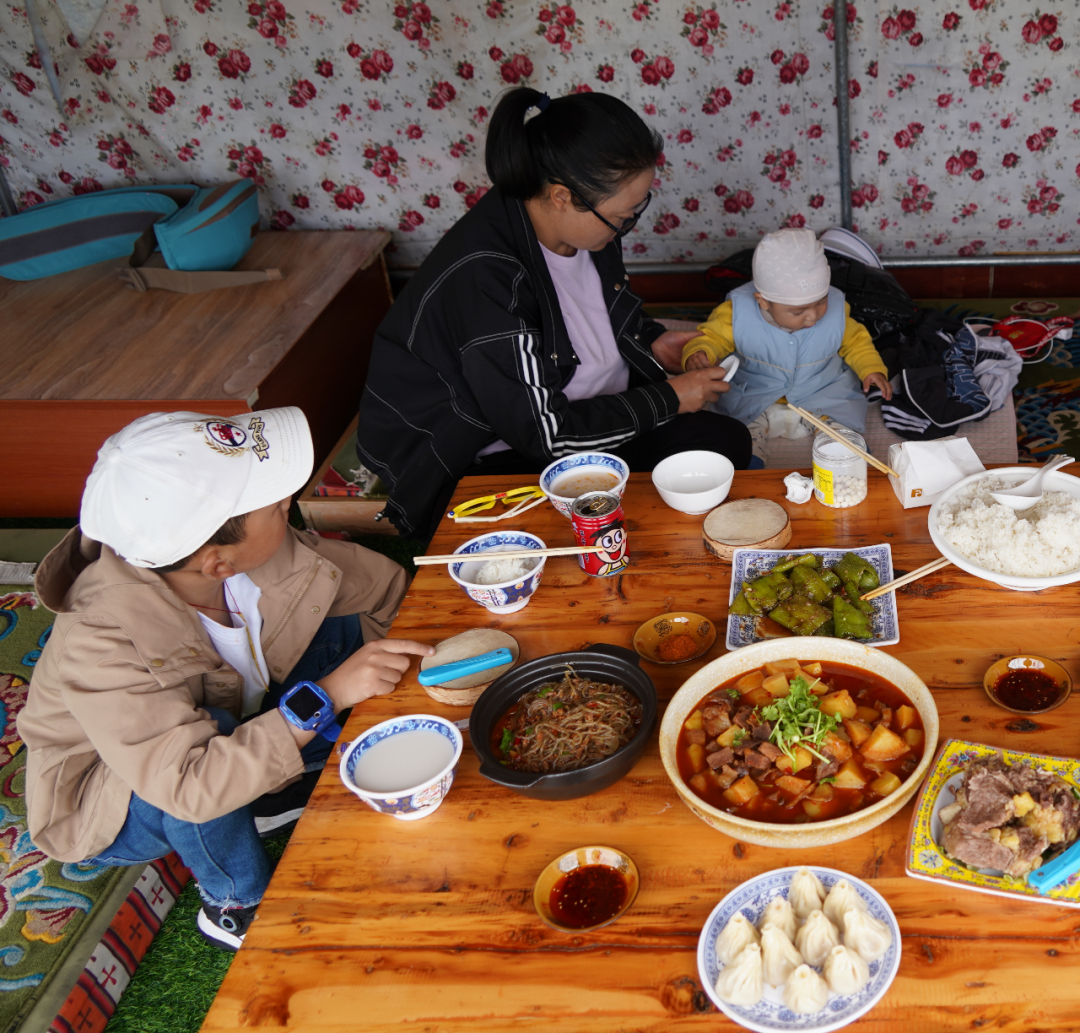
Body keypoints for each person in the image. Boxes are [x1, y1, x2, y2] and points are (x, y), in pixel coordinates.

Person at [16, 407, 432, 951]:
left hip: (235, 715)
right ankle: (234, 904)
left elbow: (380, 592)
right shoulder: (100, 644)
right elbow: (188, 784)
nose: (289, 501)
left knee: (338, 619)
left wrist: (422, 663)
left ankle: (269, 789)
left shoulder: (247, 552)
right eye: (274, 502)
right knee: (204, 758)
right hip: (121, 796)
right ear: (215, 562)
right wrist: (331, 695)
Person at [357, 87, 752, 539]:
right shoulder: (488, 279)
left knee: (721, 443)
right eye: (624, 215)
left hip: (584, 420)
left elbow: (592, 315)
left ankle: (624, 528)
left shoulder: (587, 230)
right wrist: (670, 398)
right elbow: (546, 434)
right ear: (563, 196)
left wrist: (651, 341)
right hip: (495, 450)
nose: (627, 224)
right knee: (544, 536)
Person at [681, 228, 893, 464]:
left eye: (821, 302)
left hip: (820, 394)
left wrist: (871, 368)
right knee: (738, 435)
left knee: (842, 430)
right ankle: (750, 468)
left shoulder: (837, 310)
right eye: (798, 311)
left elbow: (857, 342)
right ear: (763, 301)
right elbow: (712, 337)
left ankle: (851, 460)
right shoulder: (736, 313)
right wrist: (700, 353)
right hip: (756, 397)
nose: (812, 317)